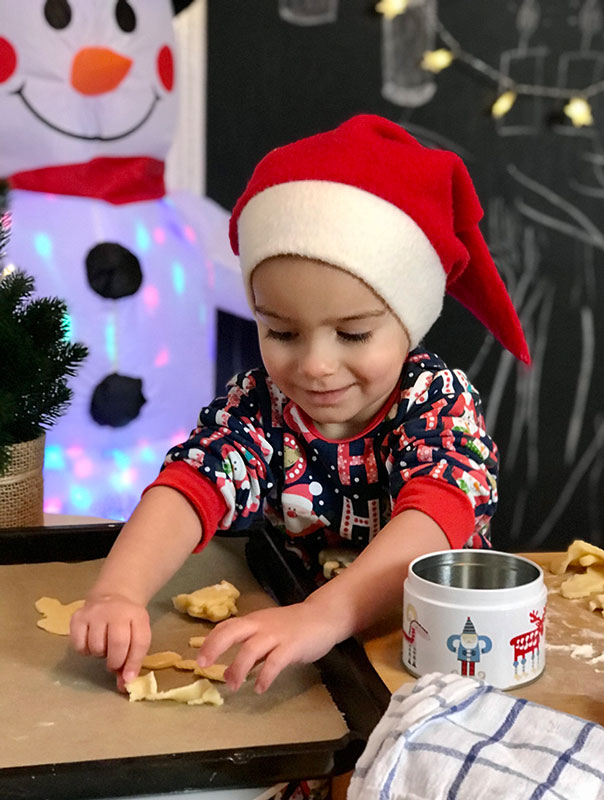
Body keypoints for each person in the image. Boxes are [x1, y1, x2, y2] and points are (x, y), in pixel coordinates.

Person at [69, 114, 530, 698]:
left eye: (354, 334)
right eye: (282, 333)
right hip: (305, 652)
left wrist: (324, 615)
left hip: (437, 661)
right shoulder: (262, 405)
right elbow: (192, 483)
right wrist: (119, 590)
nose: (314, 365)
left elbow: (435, 520)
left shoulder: (435, 399)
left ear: (409, 320)